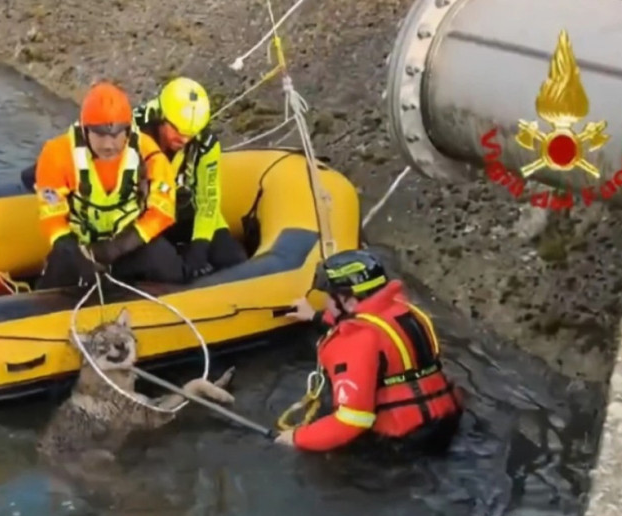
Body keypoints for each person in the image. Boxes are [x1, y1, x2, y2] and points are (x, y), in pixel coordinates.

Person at [273, 249, 463, 457]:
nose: (326, 302)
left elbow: (350, 422)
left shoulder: (354, 342)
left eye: (330, 296)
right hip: (447, 422)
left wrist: (297, 437)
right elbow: (371, 324)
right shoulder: (406, 311)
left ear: (349, 301)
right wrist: (316, 317)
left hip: (398, 443)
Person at [33, 81, 183, 290]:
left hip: (128, 246)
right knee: (59, 265)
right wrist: (76, 252)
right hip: (80, 249)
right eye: (100, 134)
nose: (108, 144)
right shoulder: (57, 154)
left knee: (167, 263)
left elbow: (163, 211)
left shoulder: (149, 154)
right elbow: (52, 217)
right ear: (85, 131)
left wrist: (116, 248)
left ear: (128, 131)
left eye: (115, 134)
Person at [132, 77, 247, 280]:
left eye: (190, 134)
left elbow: (208, 200)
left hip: (187, 211)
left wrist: (199, 247)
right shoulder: (132, 132)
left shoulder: (206, 144)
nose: (184, 140)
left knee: (234, 260)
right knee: (168, 271)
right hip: (147, 215)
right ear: (162, 118)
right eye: (177, 131)